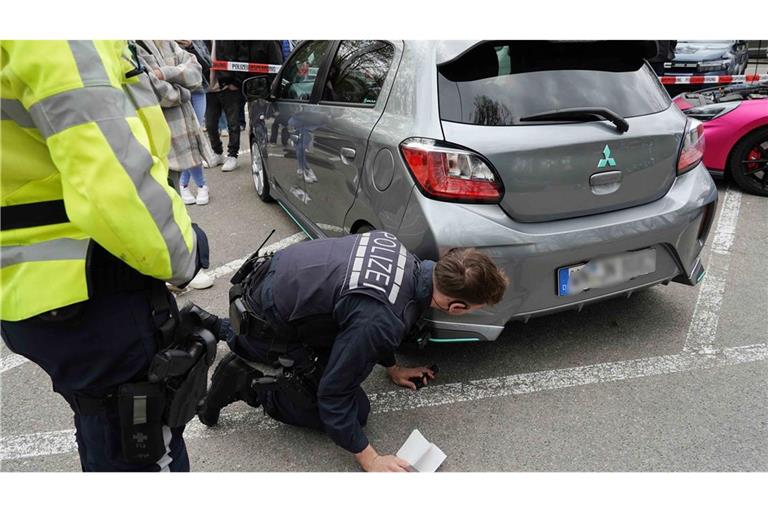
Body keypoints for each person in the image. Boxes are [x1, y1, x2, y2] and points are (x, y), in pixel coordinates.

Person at [0, 40, 211, 471]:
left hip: (37, 286)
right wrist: (183, 251)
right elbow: (113, 179)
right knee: (141, 446)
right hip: (94, 286)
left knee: (103, 428)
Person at [196, 231, 508, 472]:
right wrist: (370, 459)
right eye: (472, 310)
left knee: (343, 337)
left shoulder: (398, 250)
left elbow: (370, 313)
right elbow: (333, 395)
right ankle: (243, 379)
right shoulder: (382, 320)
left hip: (266, 282)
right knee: (354, 411)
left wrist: (391, 366)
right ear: (455, 307)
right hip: (267, 317)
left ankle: (212, 325)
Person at [136, 40, 215, 290]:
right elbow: (149, 88)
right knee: (162, 207)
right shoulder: (131, 43)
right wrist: (182, 90)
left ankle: (182, 269)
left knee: (173, 204)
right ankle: (178, 272)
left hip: (175, 134)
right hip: (152, 138)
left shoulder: (167, 41)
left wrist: (165, 73)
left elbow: (196, 71)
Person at [206, 40, 283, 172]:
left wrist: (236, 82)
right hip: (220, 87)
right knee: (211, 123)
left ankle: (237, 156)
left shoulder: (268, 42)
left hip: (248, 88)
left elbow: (245, 59)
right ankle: (218, 153)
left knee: (239, 124)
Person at [175, 40, 213, 206]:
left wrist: (191, 46)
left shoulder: (196, 39)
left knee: (193, 137)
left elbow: (206, 64)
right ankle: (194, 185)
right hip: (174, 94)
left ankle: (190, 185)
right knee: (183, 139)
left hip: (197, 91)